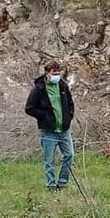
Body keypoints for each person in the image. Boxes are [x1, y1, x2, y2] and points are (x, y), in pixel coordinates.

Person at [25, 60, 75, 192]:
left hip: (64, 130)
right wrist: (44, 117)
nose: (56, 76)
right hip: (48, 132)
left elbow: (70, 103)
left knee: (69, 156)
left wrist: (69, 117)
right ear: (47, 73)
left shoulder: (63, 86)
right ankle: (51, 186)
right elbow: (29, 108)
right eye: (54, 73)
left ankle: (63, 184)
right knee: (49, 161)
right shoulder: (39, 89)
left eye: (59, 73)